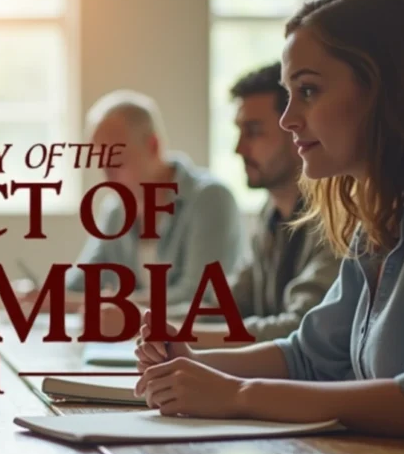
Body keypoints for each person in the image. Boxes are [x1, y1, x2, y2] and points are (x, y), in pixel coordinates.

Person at [134, 0, 404, 449]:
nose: (288, 120)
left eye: (308, 91)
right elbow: (309, 355)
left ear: (384, 88)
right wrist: (193, 359)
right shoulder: (380, 209)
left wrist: (239, 394)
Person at [98, 63, 342, 346]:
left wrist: (152, 326)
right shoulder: (271, 216)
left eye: (253, 131)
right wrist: (146, 321)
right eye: (239, 131)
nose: (238, 148)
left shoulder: (336, 218)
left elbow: (300, 331)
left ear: (294, 130)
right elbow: (221, 306)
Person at [17, 89, 245, 314]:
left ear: (153, 146)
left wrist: (109, 305)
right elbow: (81, 282)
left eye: (115, 162)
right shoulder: (116, 210)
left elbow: (198, 296)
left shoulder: (210, 199)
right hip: (141, 344)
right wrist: (44, 294)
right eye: (101, 164)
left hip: (200, 345)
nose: (106, 176)